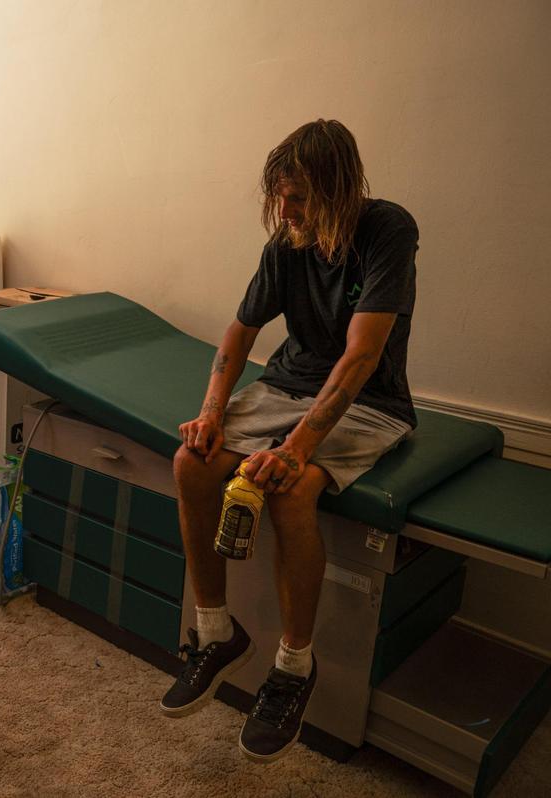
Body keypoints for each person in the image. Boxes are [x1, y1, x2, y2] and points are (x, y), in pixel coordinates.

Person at [159, 119, 419, 762]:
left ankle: (294, 668)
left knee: (291, 489)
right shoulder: (286, 242)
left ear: (339, 188)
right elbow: (239, 335)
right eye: (280, 197)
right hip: (284, 388)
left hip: (369, 403)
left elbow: (360, 359)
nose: (286, 211)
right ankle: (216, 632)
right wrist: (212, 412)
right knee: (191, 463)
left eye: (299, 197)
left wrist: (298, 447)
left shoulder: (388, 230)